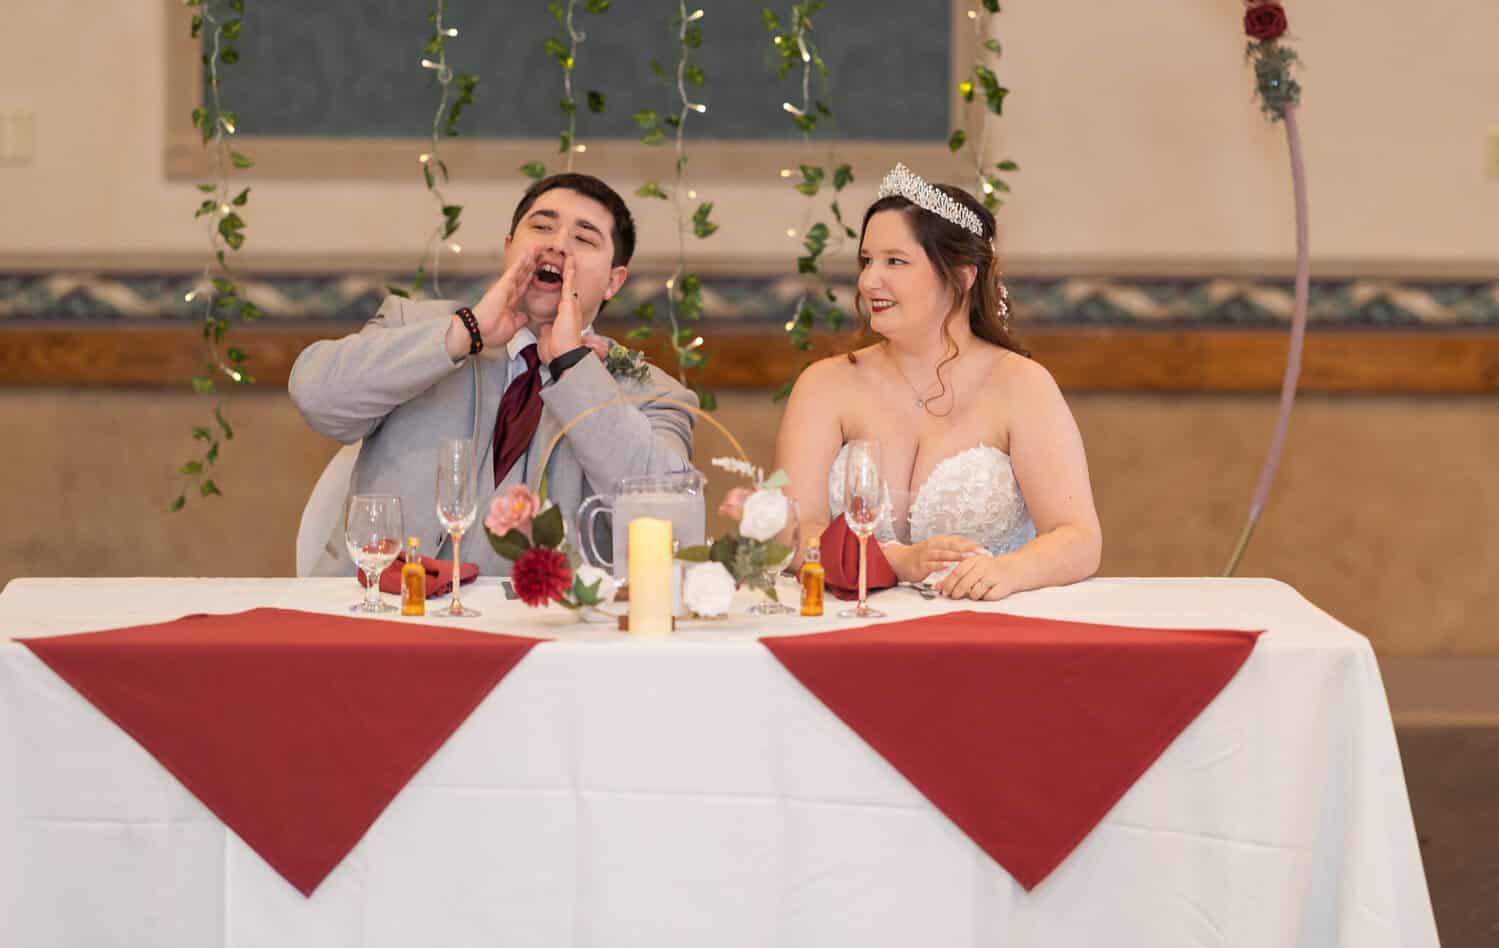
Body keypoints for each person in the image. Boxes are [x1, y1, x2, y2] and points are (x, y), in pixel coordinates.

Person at [290, 172, 697, 575]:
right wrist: (463, 333)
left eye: (584, 238)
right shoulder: (412, 324)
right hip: (380, 611)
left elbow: (672, 519)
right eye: (542, 227)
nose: (557, 245)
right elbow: (316, 397)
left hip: (535, 628)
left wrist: (572, 366)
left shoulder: (653, 394)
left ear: (613, 281)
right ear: (509, 248)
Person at [774, 163, 1101, 599]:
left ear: (962, 277)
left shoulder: (1021, 386)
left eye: (896, 261)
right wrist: (894, 561)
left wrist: (1010, 571)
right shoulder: (825, 385)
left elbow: (1078, 538)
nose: (869, 280)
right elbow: (794, 533)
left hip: (984, 628)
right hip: (847, 624)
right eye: (866, 261)